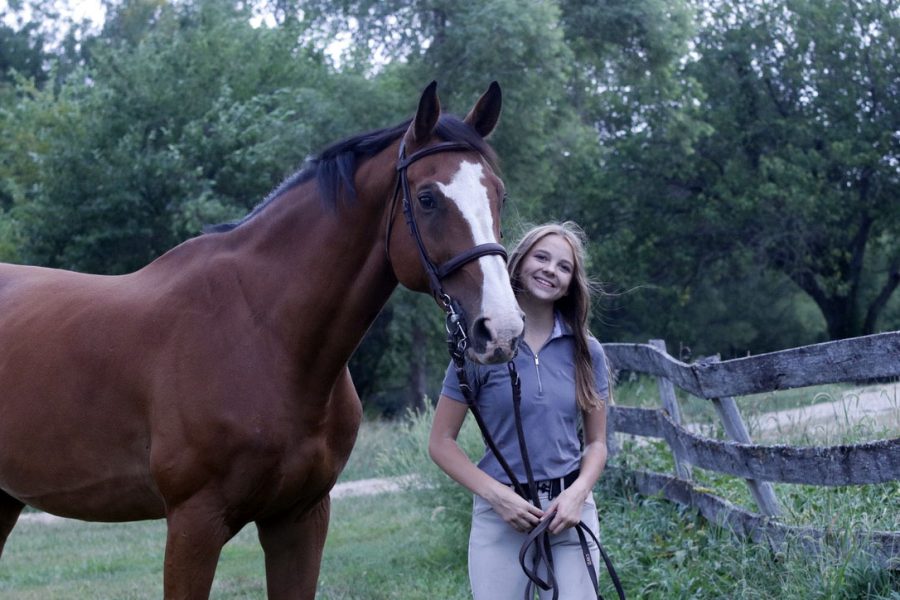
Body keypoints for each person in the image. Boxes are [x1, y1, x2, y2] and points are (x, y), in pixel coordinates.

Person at [429, 221, 611, 600]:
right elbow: (441, 442)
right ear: (518, 263)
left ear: (572, 282)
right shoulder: (481, 347)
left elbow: (596, 444)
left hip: (570, 515)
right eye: (541, 257)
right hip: (501, 518)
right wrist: (497, 496)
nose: (551, 270)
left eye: (564, 267)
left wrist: (578, 494)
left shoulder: (586, 351)